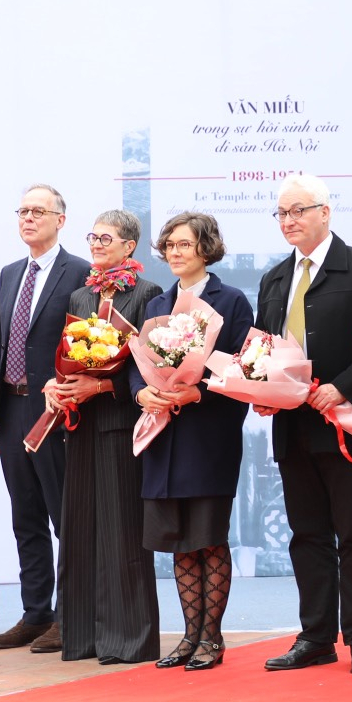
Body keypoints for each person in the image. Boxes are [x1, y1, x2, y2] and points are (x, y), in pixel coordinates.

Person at [254, 174, 352, 673]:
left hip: (346, 422)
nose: (289, 221)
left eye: (299, 211)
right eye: (282, 213)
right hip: (293, 425)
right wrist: (259, 391)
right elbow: (263, 348)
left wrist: (348, 385)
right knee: (305, 533)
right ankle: (315, 636)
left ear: (325, 213)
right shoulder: (273, 278)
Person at [134, 211, 253, 672]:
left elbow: (242, 370)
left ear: (206, 247)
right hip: (164, 434)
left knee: (207, 537)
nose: (175, 253)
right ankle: (188, 636)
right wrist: (140, 391)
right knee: (180, 541)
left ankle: (212, 638)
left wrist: (197, 390)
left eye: (184, 244)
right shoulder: (155, 303)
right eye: (170, 245)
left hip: (208, 436)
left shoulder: (232, 301)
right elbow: (134, 364)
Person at [47, 210, 162, 664]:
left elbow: (146, 366)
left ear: (128, 246)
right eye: (92, 236)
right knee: (80, 527)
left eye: (105, 237)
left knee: (121, 530)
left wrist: (103, 385)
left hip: (118, 423)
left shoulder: (147, 293)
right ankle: (84, 636)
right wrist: (59, 384)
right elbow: (69, 353)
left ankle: (126, 637)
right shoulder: (80, 293)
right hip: (82, 426)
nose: (95, 244)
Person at [0, 184, 91, 654]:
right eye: (22, 211)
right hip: (12, 408)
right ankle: (35, 612)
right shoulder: (10, 274)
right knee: (24, 515)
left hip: (55, 410)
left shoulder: (82, 273)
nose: (28, 218)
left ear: (60, 220)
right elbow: (1, 345)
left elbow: (89, 345)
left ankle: (71, 615)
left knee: (62, 514)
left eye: (38, 211)